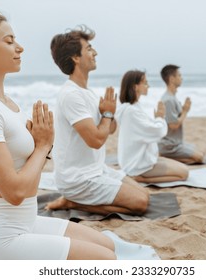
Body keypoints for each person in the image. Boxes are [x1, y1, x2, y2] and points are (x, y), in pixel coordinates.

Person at [0, 11, 116, 260]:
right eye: (9, 41)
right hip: (1, 236)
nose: (20, 47)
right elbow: (14, 193)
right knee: (106, 261)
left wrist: (41, 145)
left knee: (108, 246)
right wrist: (42, 146)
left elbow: (29, 162)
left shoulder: (7, 102)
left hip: (27, 220)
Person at [46, 26, 149, 215]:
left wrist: (109, 113)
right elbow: (95, 141)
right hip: (77, 179)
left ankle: (75, 200)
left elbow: (109, 130)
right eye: (89, 49)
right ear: (76, 58)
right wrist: (107, 115)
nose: (95, 52)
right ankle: (73, 202)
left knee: (144, 193)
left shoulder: (88, 93)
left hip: (96, 169)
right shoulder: (71, 95)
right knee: (140, 203)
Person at [115, 70, 189, 183]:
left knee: (183, 167)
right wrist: (160, 117)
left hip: (142, 159)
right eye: (145, 83)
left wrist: (157, 119)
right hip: (137, 166)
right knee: (184, 173)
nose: (148, 86)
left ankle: (143, 175)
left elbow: (148, 127)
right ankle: (141, 178)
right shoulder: (131, 112)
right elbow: (158, 132)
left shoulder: (132, 107)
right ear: (135, 87)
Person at [158, 64, 204, 164]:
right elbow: (174, 125)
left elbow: (175, 117)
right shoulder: (168, 100)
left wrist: (183, 109)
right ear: (171, 79)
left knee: (199, 151)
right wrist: (186, 111)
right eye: (179, 75)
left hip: (177, 142)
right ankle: (165, 158)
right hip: (169, 146)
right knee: (199, 158)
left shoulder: (172, 97)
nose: (181, 78)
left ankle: (168, 157)